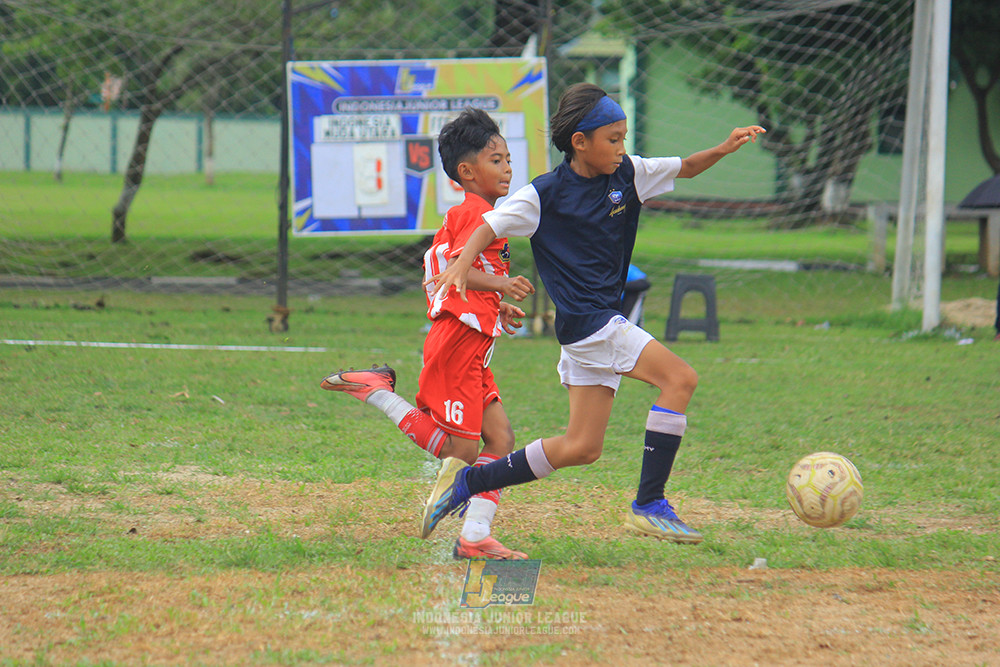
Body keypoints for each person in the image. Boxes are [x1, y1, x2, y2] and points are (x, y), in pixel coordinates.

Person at [420, 83, 765, 544]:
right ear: (580, 142)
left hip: (586, 331)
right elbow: (488, 224)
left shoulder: (629, 174)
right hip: (595, 324)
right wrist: (462, 263)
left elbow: (686, 168)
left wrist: (724, 147)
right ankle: (649, 503)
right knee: (680, 379)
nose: (622, 149)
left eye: (624, 137)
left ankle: (469, 482)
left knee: (582, 447)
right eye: (613, 139)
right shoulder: (544, 194)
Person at [320, 108, 534, 560]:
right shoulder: (476, 213)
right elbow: (459, 270)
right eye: (497, 159)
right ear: (467, 171)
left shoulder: (474, 213)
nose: (508, 167)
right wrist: (499, 285)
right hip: (458, 341)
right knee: (463, 447)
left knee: (500, 441)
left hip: (474, 342)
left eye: (509, 158)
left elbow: (463, 271)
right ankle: (375, 390)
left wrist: (499, 301)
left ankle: (474, 536)